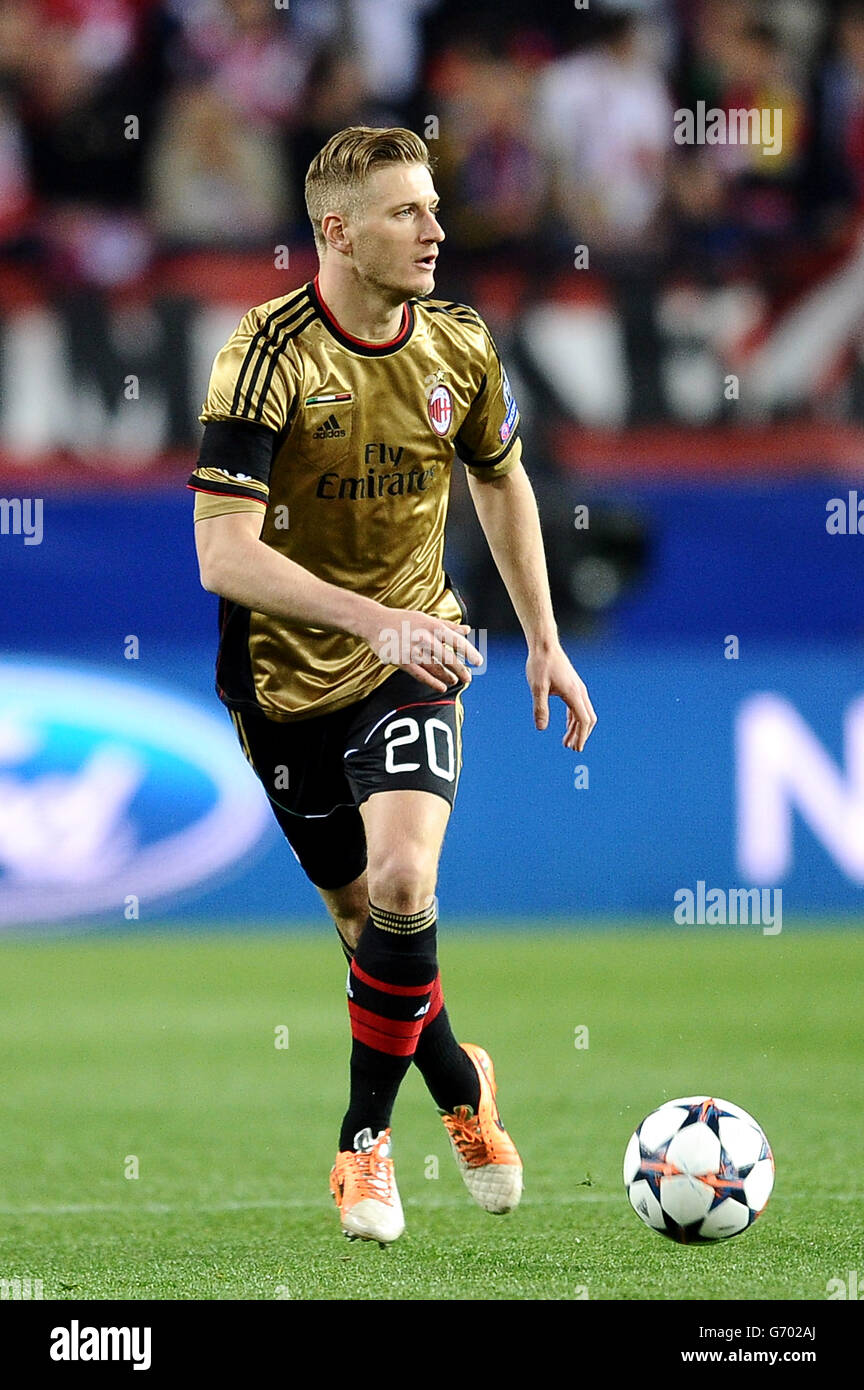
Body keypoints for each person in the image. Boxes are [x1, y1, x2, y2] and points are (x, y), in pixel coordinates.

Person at [188, 126, 596, 1245]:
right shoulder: (266, 355)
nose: (436, 231)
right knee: (362, 916)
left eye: (432, 208)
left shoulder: (460, 343)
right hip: (281, 685)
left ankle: (360, 1144)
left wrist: (541, 638)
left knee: (405, 878)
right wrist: (377, 620)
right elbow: (221, 555)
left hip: (416, 665)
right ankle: (463, 1087)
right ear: (337, 231)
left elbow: (502, 481)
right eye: (406, 213)